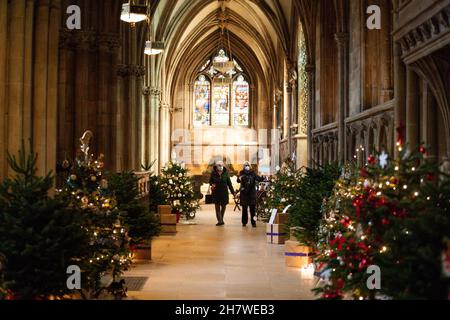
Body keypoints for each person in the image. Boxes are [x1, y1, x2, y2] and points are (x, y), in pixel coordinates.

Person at [237, 161, 264, 227]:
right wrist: (239, 178)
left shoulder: (253, 173)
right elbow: (238, 180)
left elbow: (259, 179)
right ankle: (244, 222)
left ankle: (253, 223)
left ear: (250, 166)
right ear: (244, 166)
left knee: (252, 210)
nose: (247, 166)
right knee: (244, 210)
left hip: (251, 193)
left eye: (248, 165)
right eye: (245, 165)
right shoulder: (241, 172)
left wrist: (262, 176)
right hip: (244, 193)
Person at [209, 161, 235, 226]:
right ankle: (220, 221)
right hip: (216, 192)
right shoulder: (213, 173)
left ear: (223, 165)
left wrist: (233, 192)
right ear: (216, 166)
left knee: (223, 206)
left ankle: (221, 219)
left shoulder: (226, 173)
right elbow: (210, 181)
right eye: (219, 165)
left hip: (224, 192)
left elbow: (229, 183)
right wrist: (212, 184)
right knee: (217, 207)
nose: (220, 166)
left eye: (221, 165)